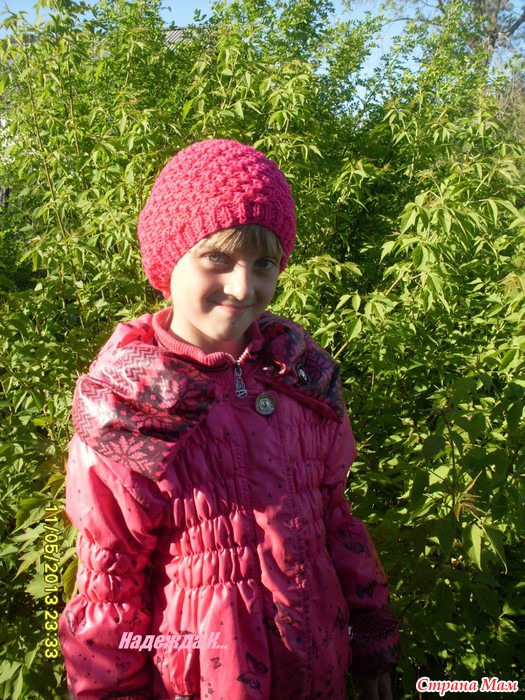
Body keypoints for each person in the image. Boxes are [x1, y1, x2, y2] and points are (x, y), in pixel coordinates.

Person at [59, 139, 400, 700]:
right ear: (168, 262)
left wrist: (369, 636)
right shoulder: (129, 405)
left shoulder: (300, 378)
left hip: (318, 673)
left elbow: (335, 519)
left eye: (264, 263)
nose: (244, 287)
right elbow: (110, 580)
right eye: (217, 258)